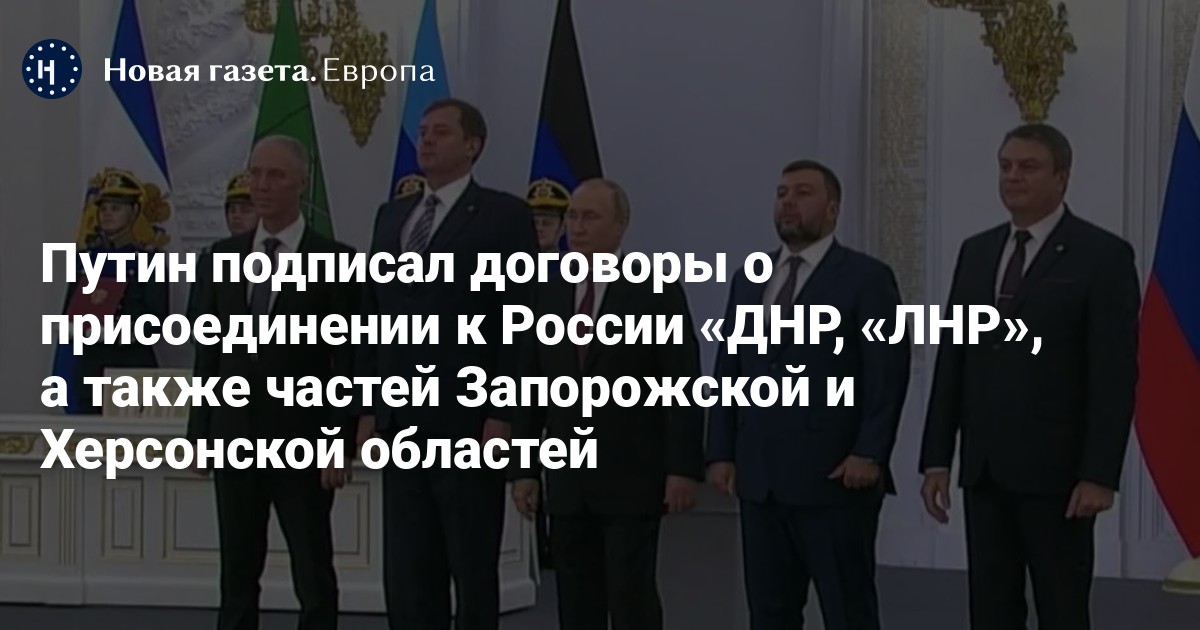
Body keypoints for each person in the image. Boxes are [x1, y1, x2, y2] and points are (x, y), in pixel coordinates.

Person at [918, 123, 1139, 630]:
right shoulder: (977, 252)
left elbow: (1113, 374)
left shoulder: (1101, 255)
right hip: (986, 471)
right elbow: (954, 359)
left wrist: (1099, 474)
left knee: (1062, 610)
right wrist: (936, 458)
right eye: (1005, 166)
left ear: (1062, 176)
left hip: (1059, 475)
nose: (1012, 176)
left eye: (1028, 167)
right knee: (991, 610)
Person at [355, 97, 538, 630]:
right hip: (400, 421)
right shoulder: (393, 216)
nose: (427, 141)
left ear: (472, 145)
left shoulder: (504, 215)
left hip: (468, 420)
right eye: (423, 132)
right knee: (409, 570)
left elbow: (517, 319)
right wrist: (366, 408)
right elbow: (372, 320)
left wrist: (502, 413)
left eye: (440, 132)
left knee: (471, 564)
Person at [706, 159, 910, 630]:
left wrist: (869, 452)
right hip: (761, 481)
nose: (788, 203)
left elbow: (885, 374)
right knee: (769, 613)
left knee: (847, 610)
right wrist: (720, 451)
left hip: (835, 479)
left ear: (832, 208)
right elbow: (729, 367)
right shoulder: (750, 278)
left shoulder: (865, 278)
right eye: (782, 194)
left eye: (802, 193)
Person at [510, 178, 704, 630]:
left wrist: (681, 468)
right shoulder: (547, 290)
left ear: (622, 225)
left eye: (591, 217)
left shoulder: (655, 290)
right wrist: (523, 469)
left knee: (631, 598)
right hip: (566, 479)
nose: (577, 227)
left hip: (632, 477)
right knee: (576, 600)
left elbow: (682, 383)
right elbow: (530, 385)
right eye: (573, 217)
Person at [186, 135, 359, 630]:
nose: (261, 185)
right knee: (237, 572)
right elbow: (209, 356)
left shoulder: (338, 263)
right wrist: (200, 435)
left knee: (313, 570)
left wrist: (339, 441)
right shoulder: (219, 258)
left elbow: (347, 361)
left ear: (302, 183)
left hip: (304, 442)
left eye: (275, 175)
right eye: (255, 173)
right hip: (234, 438)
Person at [62, 168, 169, 413]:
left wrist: (119, 331)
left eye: (116, 208)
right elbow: (69, 312)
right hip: (91, 367)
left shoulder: (148, 260)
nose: (107, 214)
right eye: (103, 209)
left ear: (134, 212)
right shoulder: (85, 260)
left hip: (131, 366)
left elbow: (156, 319)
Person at [188, 170, 257, 324]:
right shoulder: (211, 257)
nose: (236, 216)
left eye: (246, 210)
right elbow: (195, 311)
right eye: (232, 210)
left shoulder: (273, 255)